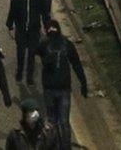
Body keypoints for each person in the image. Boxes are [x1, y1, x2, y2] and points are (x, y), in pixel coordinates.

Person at [35, 21, 88, 150]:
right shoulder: (67, 45)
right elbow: (76, 64)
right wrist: (83, 83)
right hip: (64, 88)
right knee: (64, 122)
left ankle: (52, 145)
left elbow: (36, 51)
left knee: (52, 120)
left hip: (49, 88)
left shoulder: (44, 45)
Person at [6, 0, 44, 86]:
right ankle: (19, 72)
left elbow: (43, 11)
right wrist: (10, 26)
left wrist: (47, 26)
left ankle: (29, 76)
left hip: (33, 29)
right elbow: (12, 11)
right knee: (21, 52)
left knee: (32, 53)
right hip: (21, 29)